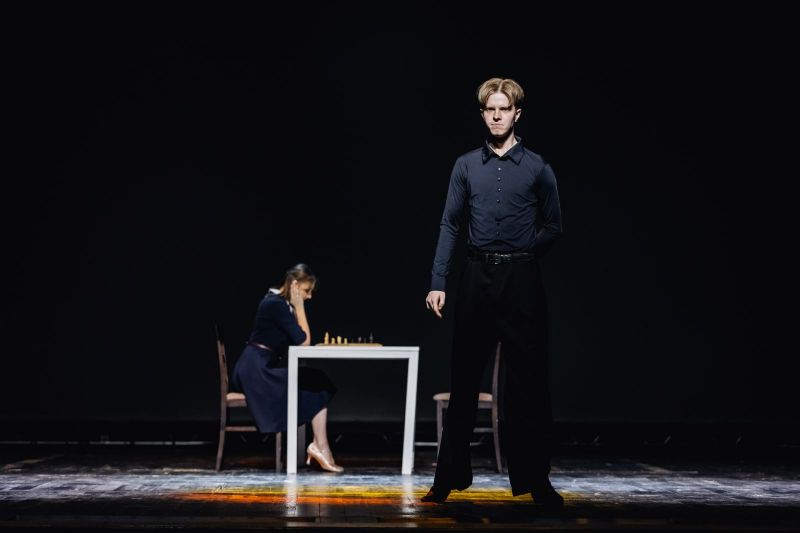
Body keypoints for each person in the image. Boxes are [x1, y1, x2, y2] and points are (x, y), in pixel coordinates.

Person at [423, 77, 564, 507]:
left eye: (504, 109)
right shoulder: (466, 165)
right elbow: (450, 223)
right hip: (476, 277)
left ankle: (537, 481)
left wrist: (525, 251)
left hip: (521, 280)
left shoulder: (537, 167)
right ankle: (447, 479)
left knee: (529, 385)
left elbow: (554, 224)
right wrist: (438, 281)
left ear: (517, 113)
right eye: (491, 109)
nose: (497, 116)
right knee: (464, 379)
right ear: (483, 114)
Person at [232, 263, 343, 472]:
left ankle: (320, 446)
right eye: (306, 290)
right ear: (294, 285)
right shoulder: (274, 304)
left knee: (316, 380)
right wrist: (300, 307)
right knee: (316, 381)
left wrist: (297, 307)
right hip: (255, 371)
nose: (309, 296)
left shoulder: (281, 305)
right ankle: (320, 447)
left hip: (261, 367)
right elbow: (304, 342)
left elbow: (299, 341)